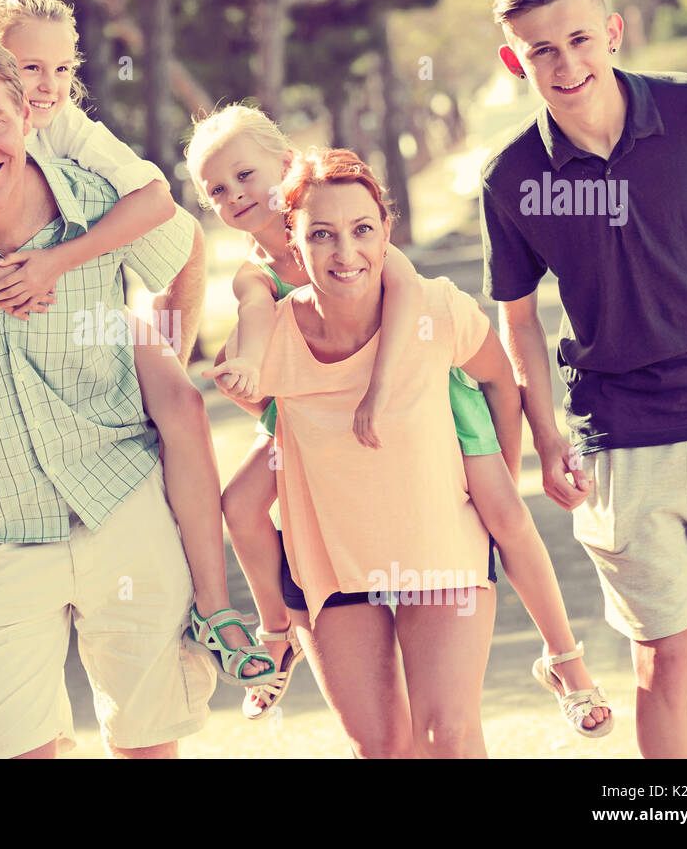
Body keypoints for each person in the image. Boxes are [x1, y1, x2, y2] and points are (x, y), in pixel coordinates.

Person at [0, 0, 271, 759]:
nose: (44, 85)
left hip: (103, 323)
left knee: (175, 398)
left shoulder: (70, 131)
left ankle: (214, 602)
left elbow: (163, 215)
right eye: (25, 66)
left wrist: (154, 334)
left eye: (57, 70)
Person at [192, 106, 612, 737]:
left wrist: (387, 395)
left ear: (285, 170)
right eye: (216, 192)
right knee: (241, 503)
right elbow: (253, 327)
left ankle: (565, 657)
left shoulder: (356, 230)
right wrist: (264, 387)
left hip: (429, 386)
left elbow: (414, 303)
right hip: (312, 409)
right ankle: (276, 628)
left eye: (245, 176)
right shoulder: (259, 272)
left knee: (502, 509)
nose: (235, 197)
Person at [483, 0, 687, 758]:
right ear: (517, 60)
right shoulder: (511, 178)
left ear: (611, 32)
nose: (566, 62)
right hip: (621, 439)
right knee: (662, 660)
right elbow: (517, 324)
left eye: (579, 39)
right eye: (542, 49)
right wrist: (546, 439)